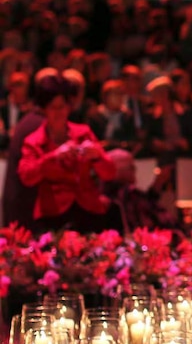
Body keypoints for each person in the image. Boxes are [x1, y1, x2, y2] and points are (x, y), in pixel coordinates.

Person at [18, 72, 117, 233]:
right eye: (53, 108)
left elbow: (109, 173)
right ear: (44, 110)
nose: (59, 113)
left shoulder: (83, 133)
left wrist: (97, 157)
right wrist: (53, 157)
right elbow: (27, 177)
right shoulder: (34, 141)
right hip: (53, 215)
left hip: (88, 210)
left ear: (69, 107)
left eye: (62, 106)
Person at [3, 69, 55, 228]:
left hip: (23, 207)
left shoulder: (30, 120)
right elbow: (29, 173)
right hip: (28, 210)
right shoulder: (37, 125)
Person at [103, 149, 179, 231]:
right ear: (118, 171)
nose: (134, 171)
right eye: (131, 167)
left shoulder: (106, 194)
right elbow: (152, 219)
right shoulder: (128, 194)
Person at [143, 76, 192, 166]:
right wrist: (158, 144)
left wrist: (185, 142)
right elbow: (148, 138)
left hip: (183, 152)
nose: (155, 97)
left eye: (159, 93)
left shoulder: (185, 112)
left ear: (167, 93)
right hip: (163, 153)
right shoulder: (151, 116)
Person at [87, 79, 139, 153]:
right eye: (116, 94)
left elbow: (132, 141)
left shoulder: (127, 116)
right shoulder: (95, 116)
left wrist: (114, 144)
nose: (120, 98)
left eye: (122, 94)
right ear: (105, 97)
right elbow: (90, 141)